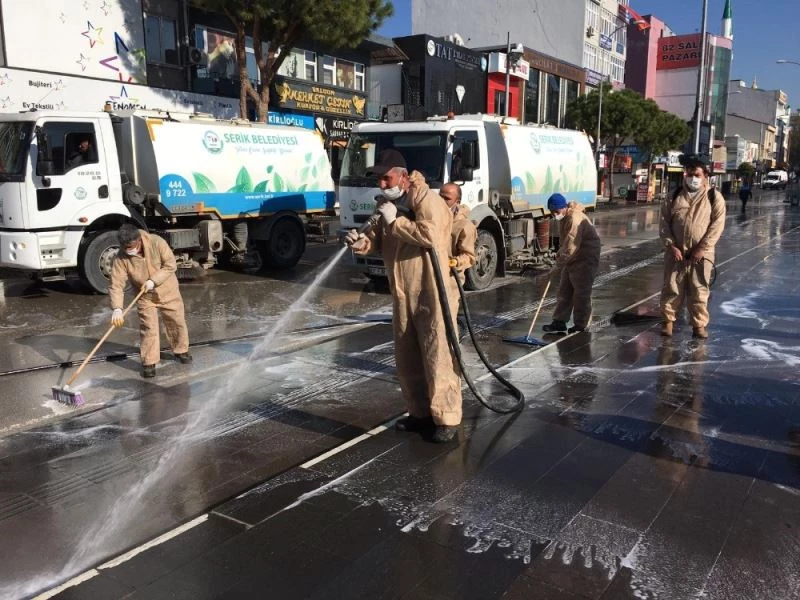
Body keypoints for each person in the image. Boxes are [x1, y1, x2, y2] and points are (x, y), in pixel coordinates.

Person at [345, 150, 462, 443]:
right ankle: (419, 413)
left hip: (431, 289)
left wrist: (396, 221)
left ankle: (446, 418)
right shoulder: (387, 205)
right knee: (407, 356)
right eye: (379, 179)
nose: (382, 184)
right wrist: (360, 242)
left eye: (387, 178)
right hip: (402, 290)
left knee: (437, 353)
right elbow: (375, 239)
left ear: (404, 177)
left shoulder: (427, 200)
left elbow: (431, 236)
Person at [109, 224, 192, 378]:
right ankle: (149, 361)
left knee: (176, 321)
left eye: (130, 247)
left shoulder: (156, 242)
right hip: (144, 296)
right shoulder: (121, 257)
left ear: (138, 240)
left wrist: (153, 280)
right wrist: (117, 308)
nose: (128, 250)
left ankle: (181, 350)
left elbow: (170, 265)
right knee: (148, 327)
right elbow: (116, 284)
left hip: (168, 290)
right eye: (124, 247)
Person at [659, 154, 726, 339]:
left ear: (705, 175)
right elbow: (664, 224)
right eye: (689, 174)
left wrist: (702, 248)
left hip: (701, 255)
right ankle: (668, 322)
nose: (693, 178)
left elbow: (717, 226)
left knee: (699, 289)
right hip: (676, 253)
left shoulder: (714, 197)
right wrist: (671, 245)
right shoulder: (674, 196)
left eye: (697, 175)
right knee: (671, 287)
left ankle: (699, 325)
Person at [542, 193, 601, 334]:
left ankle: (581, 324)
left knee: (581, 292)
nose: (554, 214)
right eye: (552, 212)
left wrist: (559, 264)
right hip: (573, 256)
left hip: (586, 256)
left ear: (563, 207)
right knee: (565, 289)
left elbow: (571, 245)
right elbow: (566, 243)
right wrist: (559, 255)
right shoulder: (565, 217)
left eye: (556, 211)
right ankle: (559, 321)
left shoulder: (574, 219)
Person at [440, 182, 477, 341]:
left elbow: (469, 256)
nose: (442, 201)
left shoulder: (464, 226)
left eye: (447, 198)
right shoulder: (434, 219)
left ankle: (452, 346)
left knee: (447, 316)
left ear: (457, 202)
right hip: (432, 276)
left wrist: (455, 262)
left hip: (451, 279)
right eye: (440, 197)